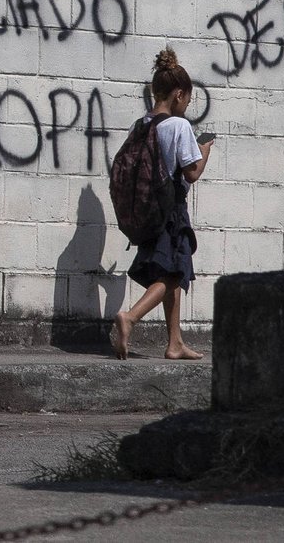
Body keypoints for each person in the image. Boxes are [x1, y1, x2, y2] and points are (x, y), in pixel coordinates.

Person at [111, 47, 213, 361]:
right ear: (179, 95)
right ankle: (130, 317)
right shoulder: (179, 127)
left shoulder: (140, 125)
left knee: (171, 270)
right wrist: (205, 147)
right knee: (172, 276)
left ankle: (174, 342)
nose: (187, 105)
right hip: (171, 212)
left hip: (149, 210)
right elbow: (192, 172)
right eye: (188, 99)